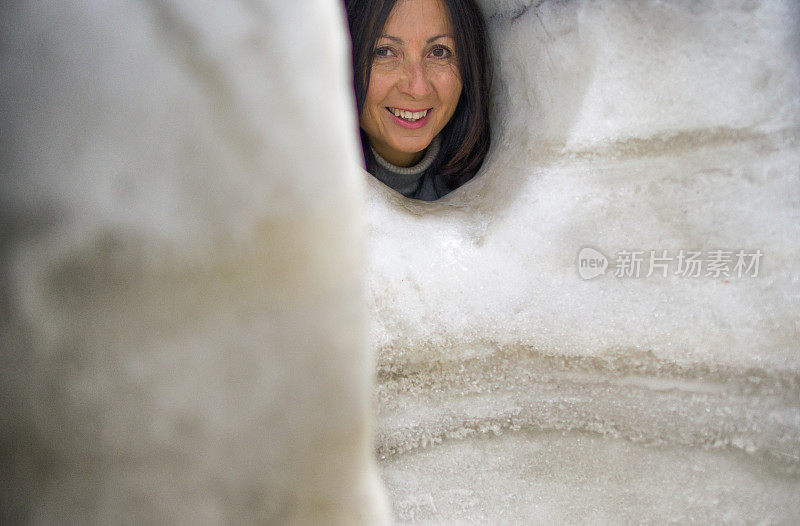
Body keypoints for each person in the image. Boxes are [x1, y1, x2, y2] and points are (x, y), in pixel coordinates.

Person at [345, 0, 491, 201]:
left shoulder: (499, 197)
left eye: (438, 52)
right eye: (384, 51)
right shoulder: (298, 195)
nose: (418, 89)